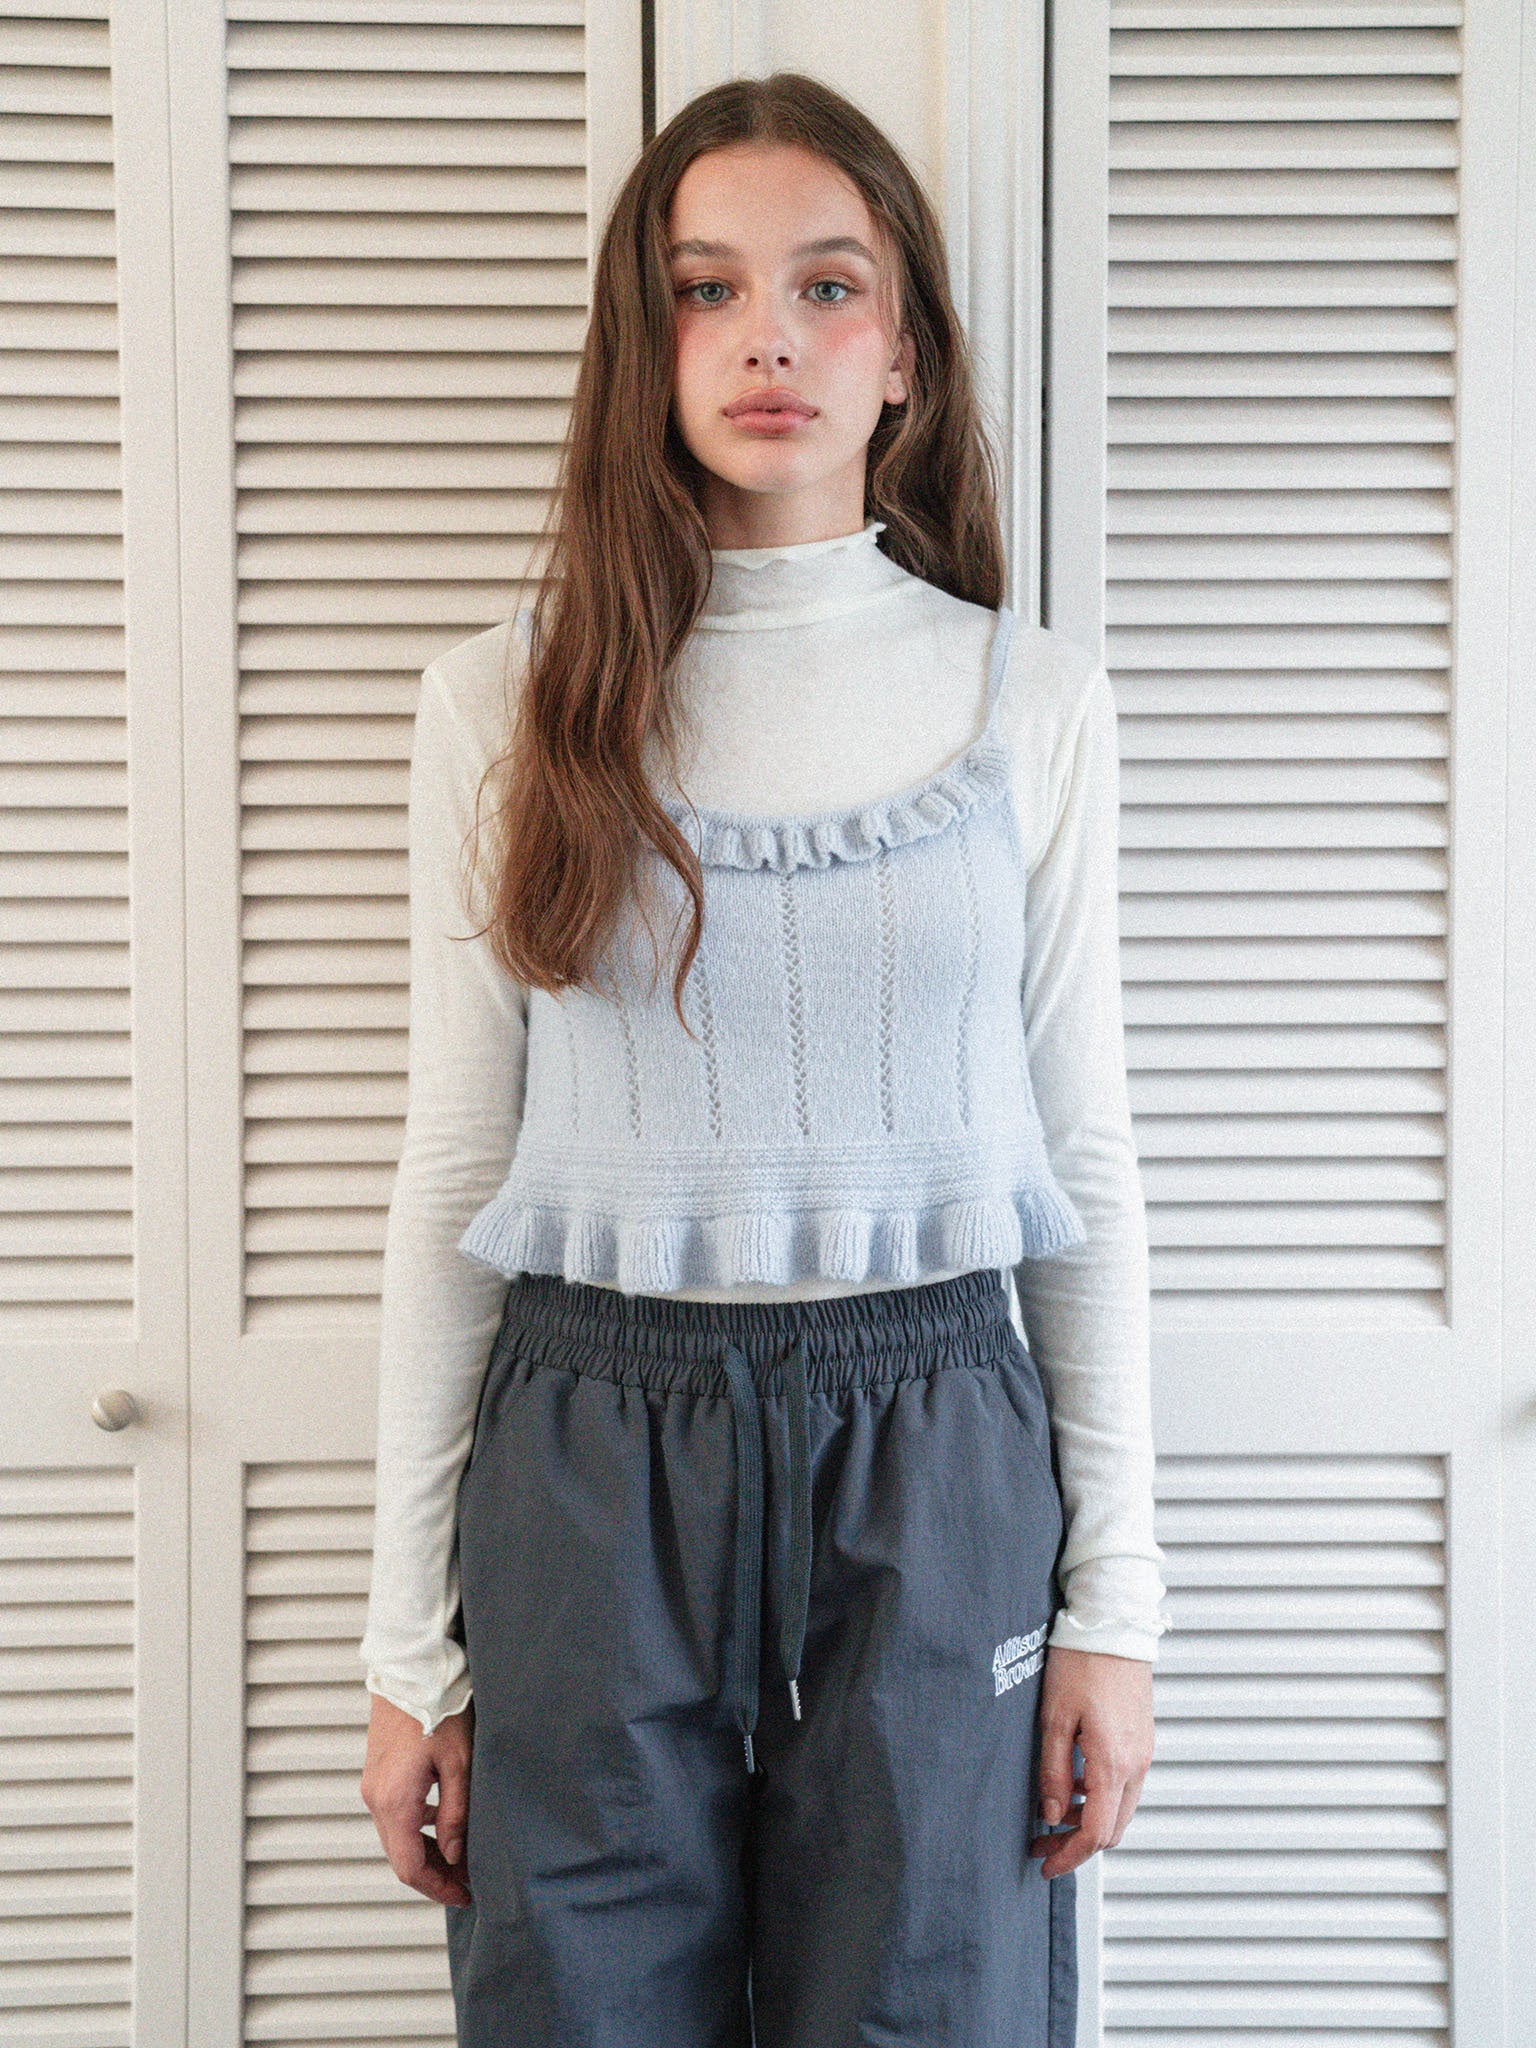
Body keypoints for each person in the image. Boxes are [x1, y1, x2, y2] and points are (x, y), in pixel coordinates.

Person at [358, 69, 1171, 2048]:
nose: (769, 338)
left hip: (938, 1442)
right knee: (577, 2004)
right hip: (587, 1458)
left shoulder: (1031, 703)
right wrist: (406, 1649)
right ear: (645, 350)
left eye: (826, 285)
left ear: (905, 351)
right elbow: (454, 1172)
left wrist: (1117, 1610)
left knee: (933, 2004)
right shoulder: (504, 706)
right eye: (706, 290)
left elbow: (1085, 1159)